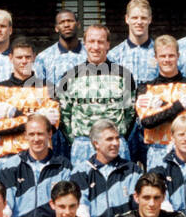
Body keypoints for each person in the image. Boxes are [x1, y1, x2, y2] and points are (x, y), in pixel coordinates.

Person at [56, 24, 137, 166]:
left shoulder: (123, 75)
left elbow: (130, 113)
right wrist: (76, 140)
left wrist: (116, 136)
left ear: (108, 45)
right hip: (83, 145)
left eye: (100, 42)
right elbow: (64, 114)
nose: (96, 46)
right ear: (85, 44)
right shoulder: (70, 76)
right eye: (91, 41)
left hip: (115, 145)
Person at [134, 35, 186, 169]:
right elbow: (148, 122)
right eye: (163, 56)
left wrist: (161, 108)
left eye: (171, 56)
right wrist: (181, 105)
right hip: (157, 153)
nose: (167, 60)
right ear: (156, 57)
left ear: (178, 56)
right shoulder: (145, 88)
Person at [0, 38, 61, 161]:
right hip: (8, 158)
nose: (24, 61)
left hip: (41, 158)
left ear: (34, 57)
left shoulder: (49, 88)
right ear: (10, 58)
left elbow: (52, 125)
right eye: (19, 57)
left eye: (27, 57)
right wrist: (38, 116)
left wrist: (12, 114)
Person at [0, 115, 71, 217]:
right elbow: (6, 205)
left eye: (40, 134)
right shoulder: (11, 166)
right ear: (25, 135)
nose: (36, 139)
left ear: (49, 134)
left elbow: (66, 205)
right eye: (31, 134)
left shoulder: (63, 166)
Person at [70, 120, 138, 217]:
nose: (115, 143)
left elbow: (138, 205)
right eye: (109, 139)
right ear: (96, 144)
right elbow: (81, 208)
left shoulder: (132, 170)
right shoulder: (81, 172)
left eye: (117, 138)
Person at [107, 0, 156, 84]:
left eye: (143, 18)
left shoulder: (161, 54)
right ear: (127, 19)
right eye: (134, 18)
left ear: (150, 19)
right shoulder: (114, 56)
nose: (139, 22)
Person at [35, 9, 85, 85]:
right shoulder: (43, 58)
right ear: (56, 28)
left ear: (78, 25)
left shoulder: (91, 54)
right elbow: (39, 90)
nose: (66, 25)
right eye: (62, 22)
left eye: (70, 21)